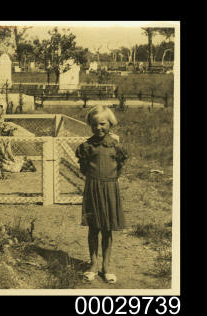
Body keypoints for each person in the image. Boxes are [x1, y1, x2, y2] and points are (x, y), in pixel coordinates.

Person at [75, 105, 128, 284]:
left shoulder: (116, 145)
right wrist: (95, 180)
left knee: (107, 229)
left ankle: (107, 266)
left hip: (110, 190)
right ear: (90, 125)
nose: (99, 128)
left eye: (102, 124)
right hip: (93, 190)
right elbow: (83, 168)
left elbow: (119, 166)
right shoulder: (87, 146)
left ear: (110, 123)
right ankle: (93, 265)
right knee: (93, 229)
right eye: (94, 125)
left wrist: (109, 181)